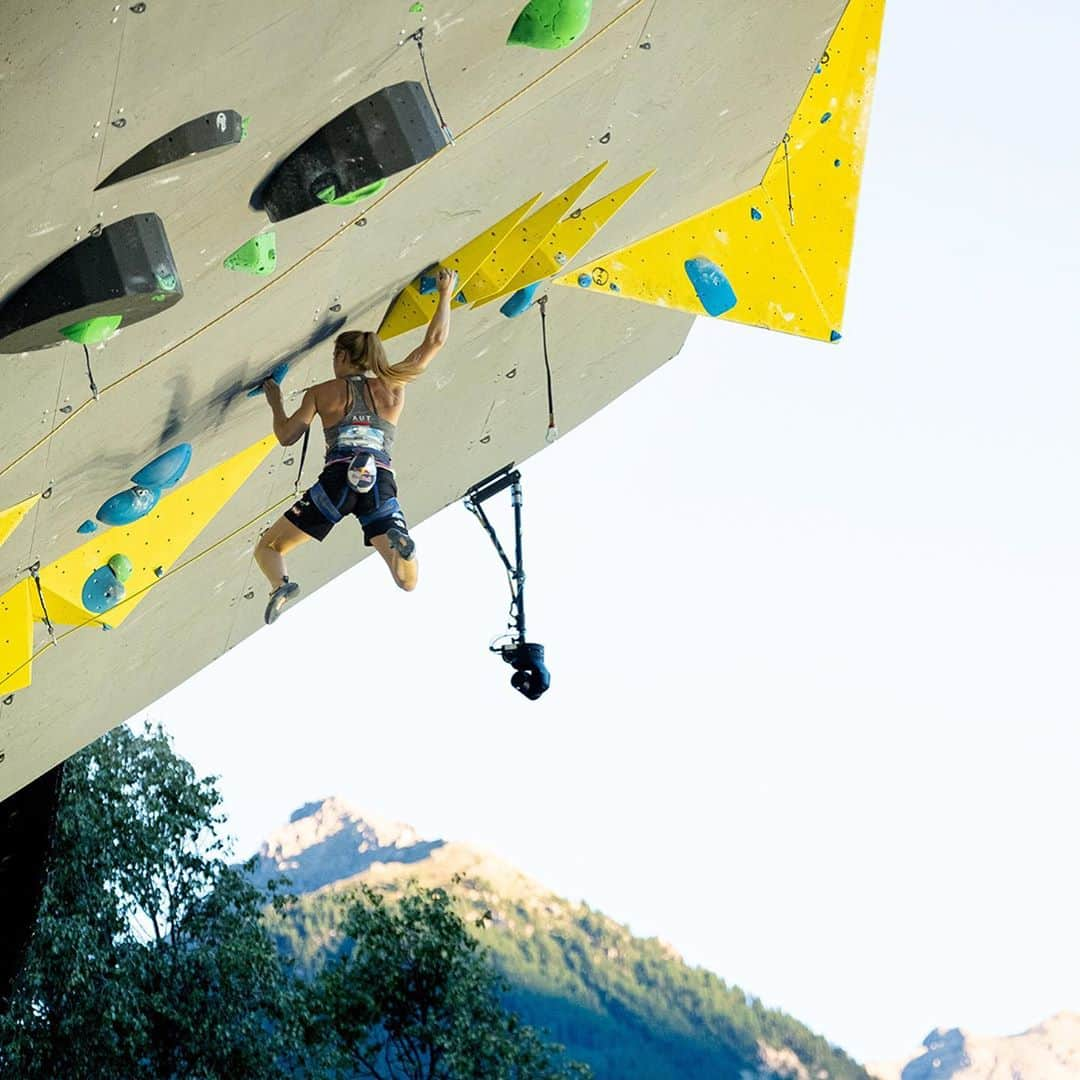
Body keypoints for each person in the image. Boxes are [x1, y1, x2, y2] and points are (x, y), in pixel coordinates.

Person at [255, 267, 458, 623]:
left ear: (345, 358)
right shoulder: (394, 386)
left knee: (269, 547)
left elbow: (288, 435)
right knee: (406, 582)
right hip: (378, 479)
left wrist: (274, 401)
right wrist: (445, 292)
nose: (333, 364)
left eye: (335, 356)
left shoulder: (321, 393)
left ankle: (280, 585)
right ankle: (401, 546)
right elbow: (435, 341)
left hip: (337, 480)